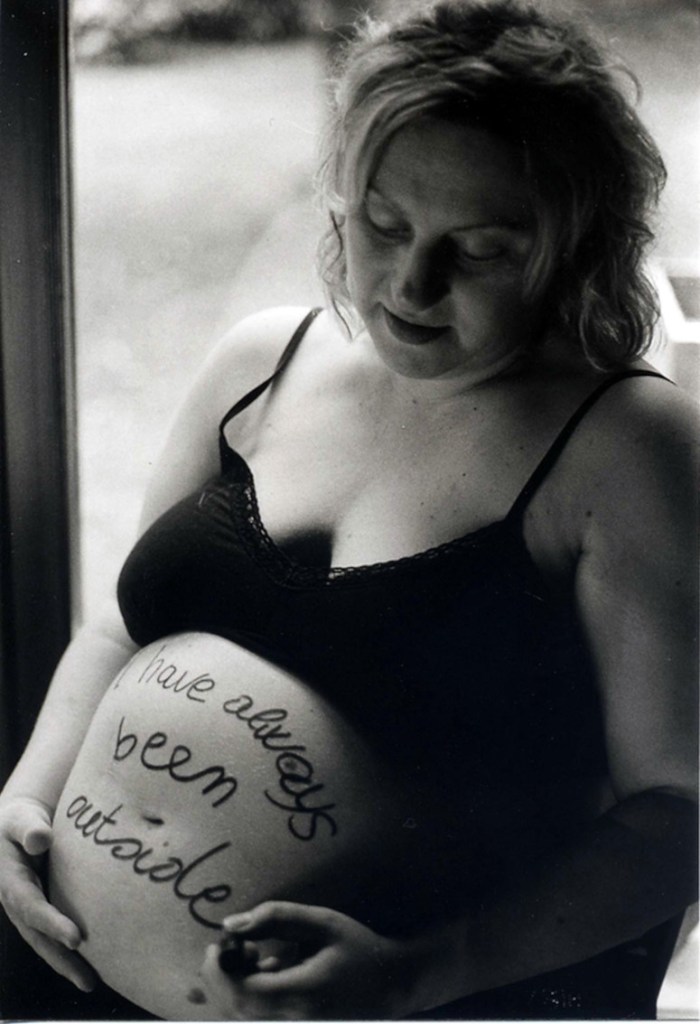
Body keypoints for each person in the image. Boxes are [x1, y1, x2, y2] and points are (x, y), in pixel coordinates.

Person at [0, 0, 697, 1018]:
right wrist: (26, 798)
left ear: (572, 247)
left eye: (480, 249)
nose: (412, 283)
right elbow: (120, 627)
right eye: (384, 225)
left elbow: (679, 811)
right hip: (76, 979)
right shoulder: (259, 363)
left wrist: (421, 970)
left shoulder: (628, 446)